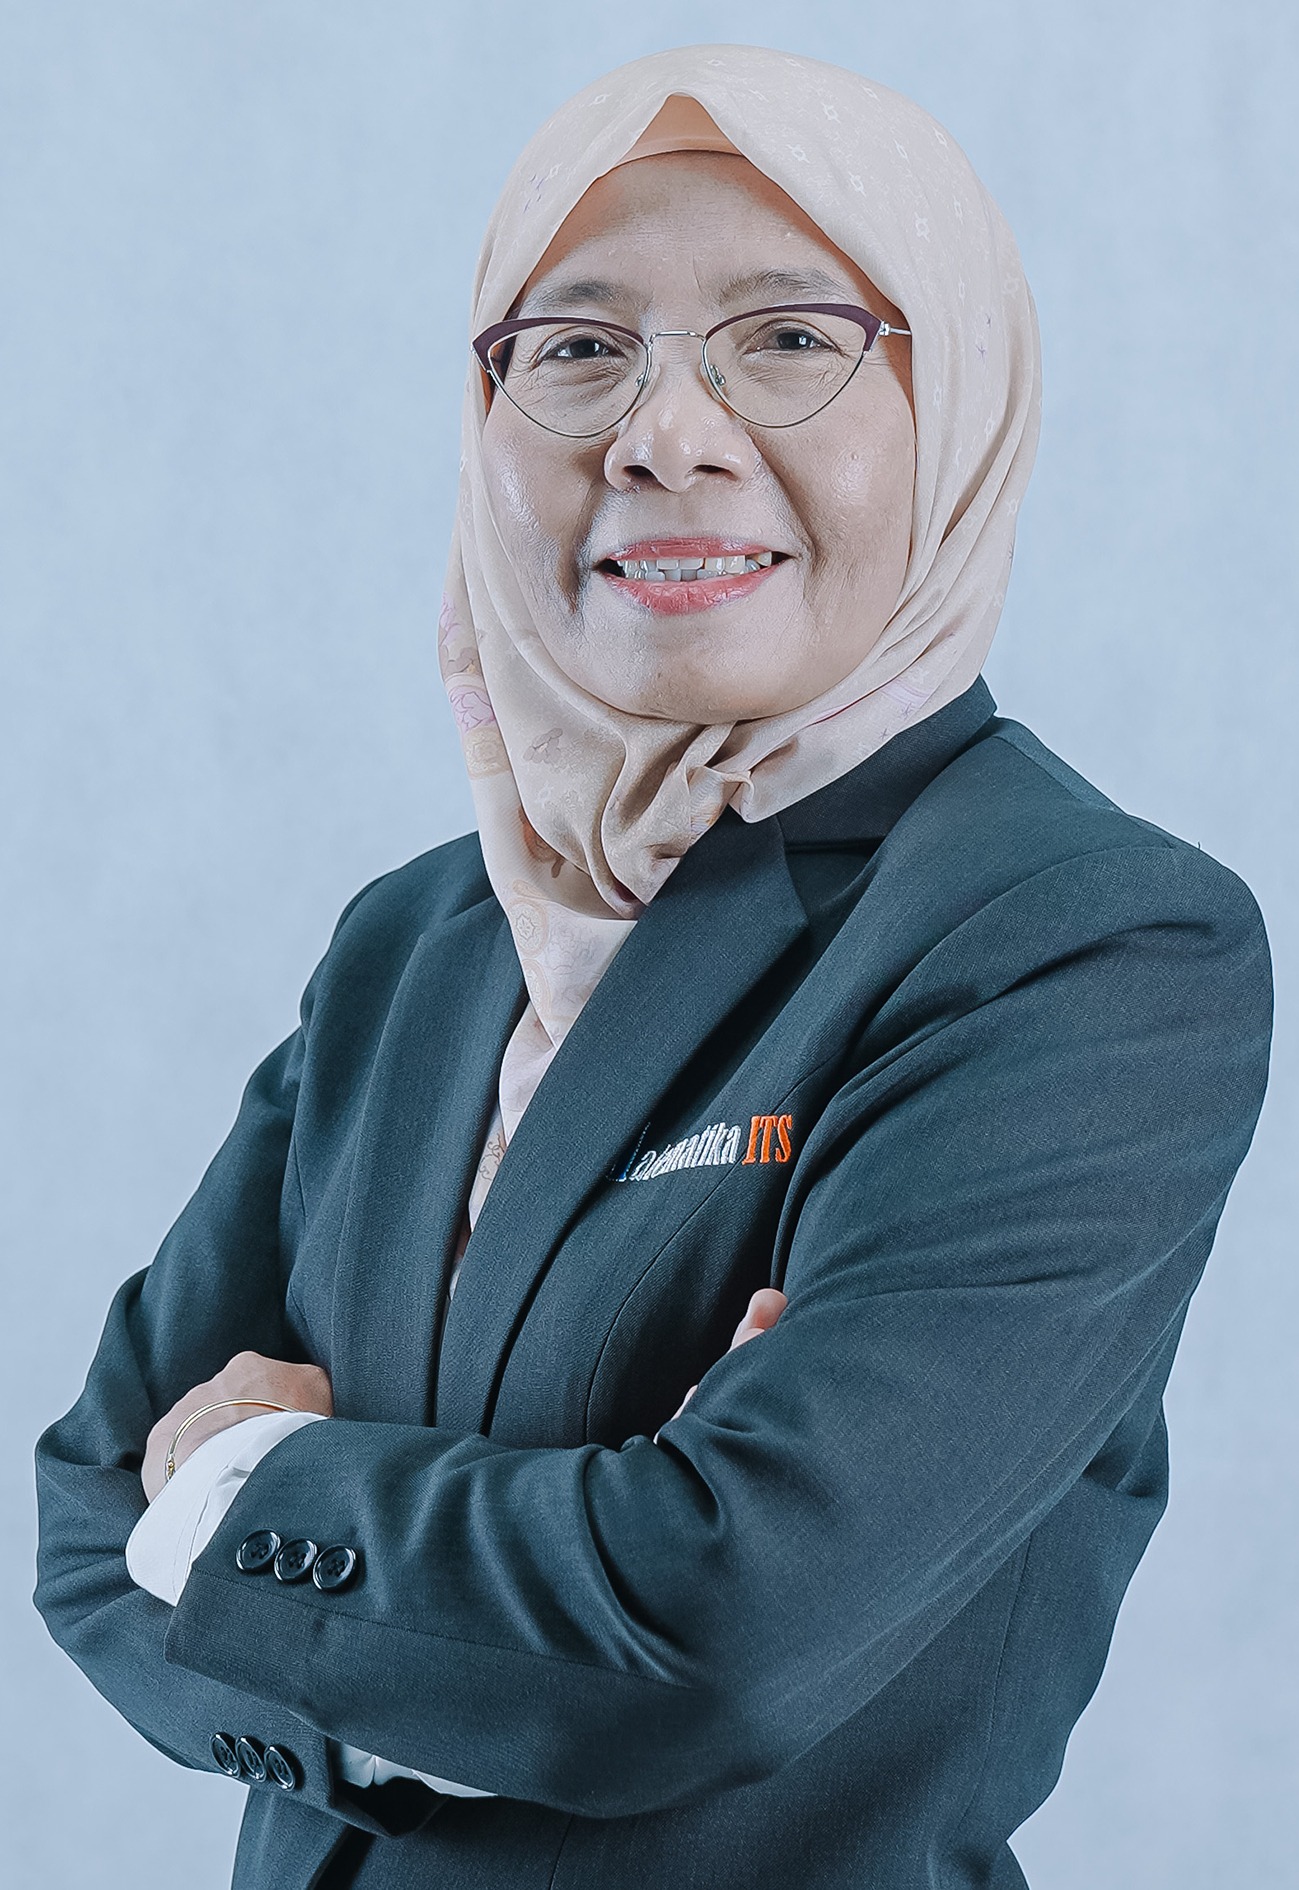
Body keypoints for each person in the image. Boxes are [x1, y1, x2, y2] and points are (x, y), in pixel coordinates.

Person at [33, 43, 1272, 1890]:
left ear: (959, 401)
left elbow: (717, 1627)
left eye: (789, 338)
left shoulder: (1075, 940)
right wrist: (525, 1596)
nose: (663, 433)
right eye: (578, 347)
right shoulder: (417, 943)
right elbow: (79, 1520)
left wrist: (239, 1495)